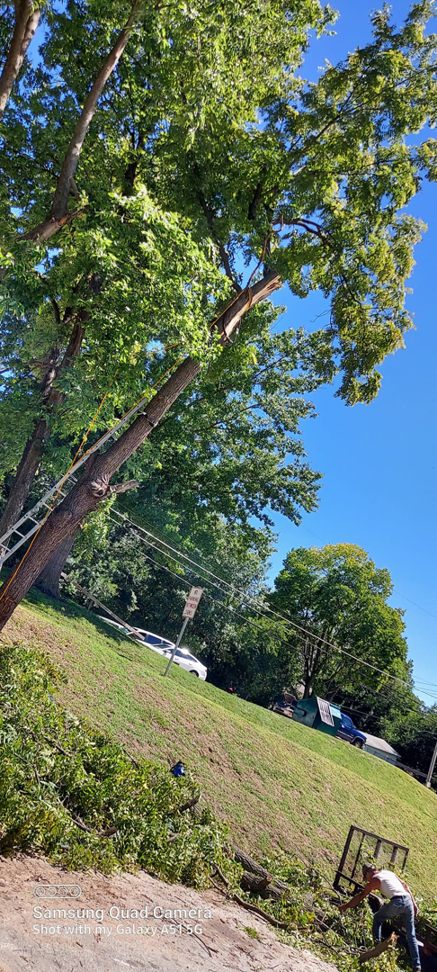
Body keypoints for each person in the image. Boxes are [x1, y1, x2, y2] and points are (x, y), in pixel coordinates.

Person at [339, 862, 421, 971]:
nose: (366, 879)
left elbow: (361, 896)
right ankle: (417, 965)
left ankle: (376, 948)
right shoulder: (388, 872)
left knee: (377, 919)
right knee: (411, 935)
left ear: (368, 873)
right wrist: (414, 904)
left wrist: (346, 906)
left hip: (398, 901)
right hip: (408, 902)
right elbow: (405, 885)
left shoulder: (375, 880)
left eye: (365, 876)